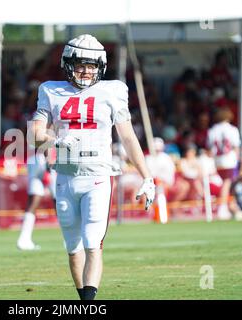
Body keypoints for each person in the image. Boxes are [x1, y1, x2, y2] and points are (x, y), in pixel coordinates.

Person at [30, 34, 155, 300]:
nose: (86, 71)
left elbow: (128, 136)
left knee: (92, 241)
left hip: (98, 175)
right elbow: (35, 135)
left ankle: (89, 303)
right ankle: (83, 300)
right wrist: (56, 140)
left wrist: (147, 177)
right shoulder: (50, 90)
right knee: (72, 246)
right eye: (80, 64)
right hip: (65, 176)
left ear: (101, 66)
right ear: (67, 64)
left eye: (91, 65)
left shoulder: (113, 90)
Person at [17, 148, 57, 250]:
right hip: (46, 159)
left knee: (34, 199)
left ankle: (24, 238)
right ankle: (71, 239)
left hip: (34, 158)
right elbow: (47, 138)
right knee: (59, 200)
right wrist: (48, 162)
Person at [207, 108, 240, 220]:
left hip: (217, 159)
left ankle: (229, 206)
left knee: (225, 184)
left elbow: (210, 148)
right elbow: (235, 146)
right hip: (229, 159)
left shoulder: (212, 130)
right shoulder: (232, 129)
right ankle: (223, 207)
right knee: (227, 183)